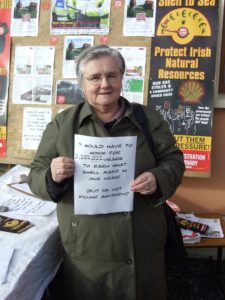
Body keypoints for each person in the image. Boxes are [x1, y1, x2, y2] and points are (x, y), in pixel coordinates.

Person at [28, 45, 185, 299]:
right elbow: (35, 174)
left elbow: (174, 160)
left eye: (112, 75)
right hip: (88, 250)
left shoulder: (148, 119)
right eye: (94, 77)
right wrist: (52, 175)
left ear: (122, 78)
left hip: (142, 245)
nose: (105, 84)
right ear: (82, 83)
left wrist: (158, 177)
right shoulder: (63, 124)